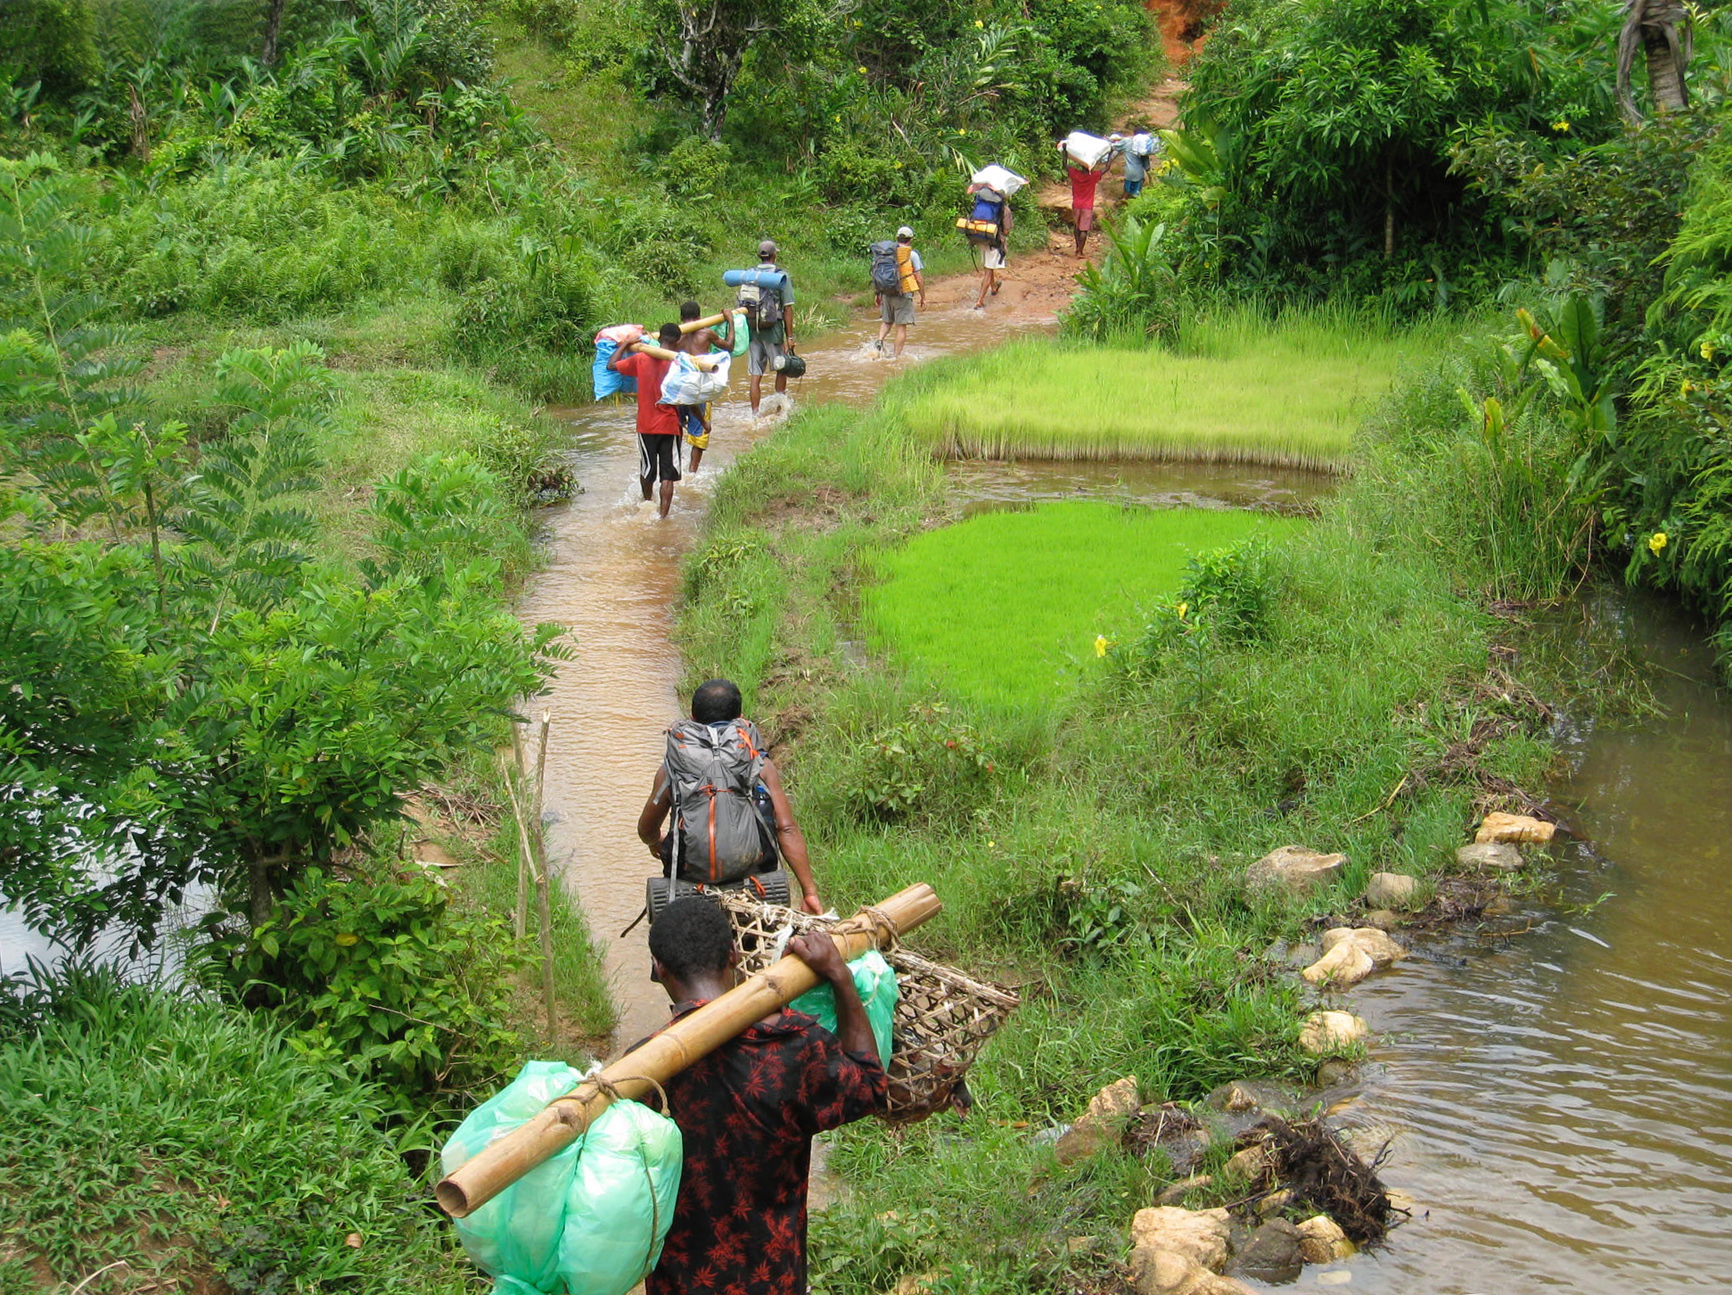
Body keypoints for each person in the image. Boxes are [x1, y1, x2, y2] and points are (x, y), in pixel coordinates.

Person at [636, 897, 886, 1295]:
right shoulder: (793, 1046)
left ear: (658, 968)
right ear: (734, 955)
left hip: (681, 1283)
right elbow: (869, 1086)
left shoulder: (642, 1072)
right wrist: (839, 976)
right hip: (773, 1278)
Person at [637, 677, 825, 915]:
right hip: (755, 880)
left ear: (692, 718)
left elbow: (646, 828)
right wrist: (809, 892)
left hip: (691, 880)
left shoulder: (673, 767)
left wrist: (655, 841)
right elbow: (785, 829)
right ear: (740, 718)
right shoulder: (760, 764)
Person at [608, 321, 684, 517]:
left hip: (646, 425)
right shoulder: (679, 363)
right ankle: (663, 518)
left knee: (647, 469)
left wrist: (625, 344)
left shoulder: (641, 358)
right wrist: (701, 421)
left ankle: (647, 505)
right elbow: (690, 397)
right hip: (669, 425)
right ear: (678, 341)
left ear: (659, 339)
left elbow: (611, 365)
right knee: (668, 475)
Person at [675, 300, 734, 473]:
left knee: (678, 425)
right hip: (700, 388)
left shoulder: (676, 335)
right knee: (701, 430)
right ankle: (692, 472)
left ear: (681, 317)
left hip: (679, 388)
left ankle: (676, 467)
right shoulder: (706, 333)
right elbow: (729, 346)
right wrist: (730, 320)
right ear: (699, 317)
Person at [744, 239, 797, 418]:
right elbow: (788, 308)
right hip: (773, 330)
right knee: (781, 368)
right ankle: (779, 411)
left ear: (759, 256)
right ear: (774, 255)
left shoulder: (750, 274)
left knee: (755, 374)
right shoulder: (781, 276)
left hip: (752, 330)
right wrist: (790, 337)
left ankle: (754, 415)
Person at [873, 226, 925, 359]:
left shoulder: (885, 253)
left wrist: (877, 294)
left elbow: (878, 274)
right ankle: (895, 358)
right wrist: (923, 297)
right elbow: (918, 278)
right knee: (901, 328)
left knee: (886, 321)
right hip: (903, 293)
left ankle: (879, 340)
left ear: (897, 238)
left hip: (886, 292)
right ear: (911, 239)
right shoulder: (912, 254)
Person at [964, 182, 1013, 310]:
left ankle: (994, 287)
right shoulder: (1003, 208)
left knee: (988, 265)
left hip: (979, 237)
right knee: (988, 270)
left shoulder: (980, 202)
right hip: (994, 242)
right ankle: (979, 301)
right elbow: (1007, 231)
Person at [1062, 143, 1108, 258]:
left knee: (1077, 227)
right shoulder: (1093, 176)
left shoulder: (1075, 174)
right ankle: (1080, 251)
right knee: (1084, 229)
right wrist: (1112, 153)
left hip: (1076, 204)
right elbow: (1106, 168)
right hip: (1087, 206)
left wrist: (1064, 151)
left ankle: (1077, 247)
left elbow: (1065, 164)